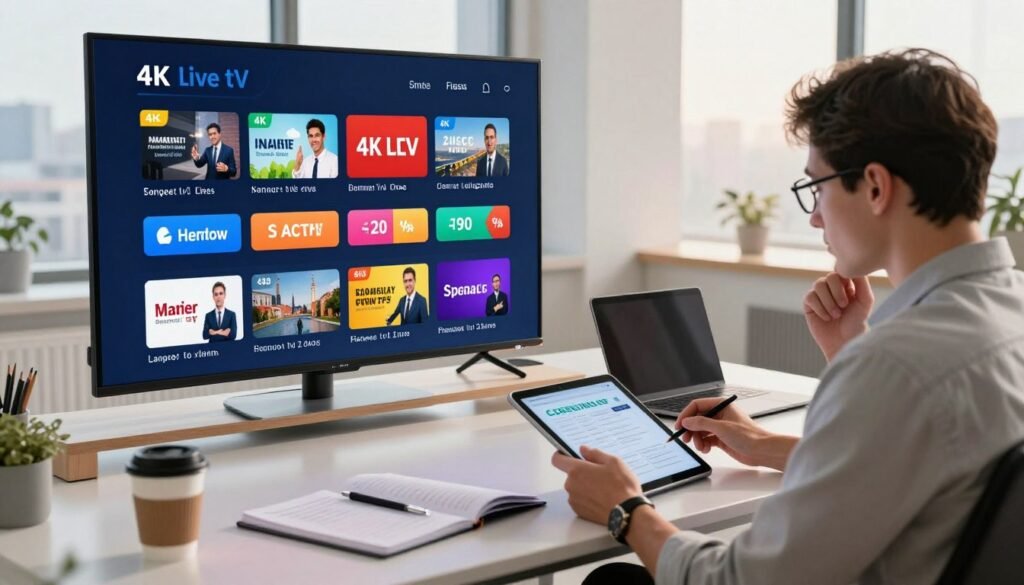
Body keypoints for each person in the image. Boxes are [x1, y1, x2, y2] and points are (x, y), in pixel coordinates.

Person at [553, 49, 1024, 585]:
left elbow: (737, 581)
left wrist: (626, 510)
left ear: (875, 187)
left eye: (816, 187)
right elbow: (926, 463)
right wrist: (769, 440)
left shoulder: (895, 367)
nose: (816, 216)